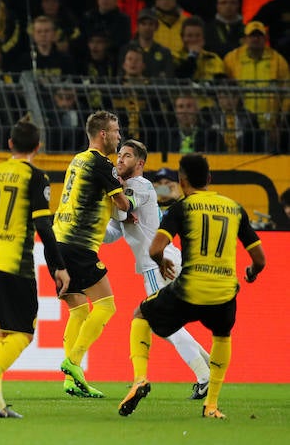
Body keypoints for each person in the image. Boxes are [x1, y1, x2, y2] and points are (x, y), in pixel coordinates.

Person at [118, 153, 266, 419]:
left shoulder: (182, 208)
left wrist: (160, 261)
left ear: (181, 180)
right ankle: (211, 405)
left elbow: (154, 248)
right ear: (209, 178)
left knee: (141, 314)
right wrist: (251, 273)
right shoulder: (234, 207)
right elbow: (260, 259)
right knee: (222, 337)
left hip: (189, 288)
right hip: (224, 293)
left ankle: (140, 378)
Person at [0, 116, 70, 419]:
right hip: (15, 261)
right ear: (38, 147)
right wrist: (58, 267)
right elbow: (43, 225)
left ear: (10, 144)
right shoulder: (36, 177)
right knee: (23, 333)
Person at [103, 140, 210, 398]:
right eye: (119, 155)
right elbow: (112, 233)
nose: (120, 160)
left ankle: (204, 375)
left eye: (127, 156)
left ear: (140, 164)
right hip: (163, 260)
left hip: (157, 263)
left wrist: (106, 195)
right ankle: (209, 363)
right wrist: (93, 228)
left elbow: (122, 210)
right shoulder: (127, 189)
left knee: (163, 322)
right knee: (168, 322)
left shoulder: (140, 185)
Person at [55, 110, 133, 398]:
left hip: (59, 242)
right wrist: (131, 202)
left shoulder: (78, 160)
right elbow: (123, 205)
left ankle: (71, 381)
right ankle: (73, 362)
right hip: (79, 244)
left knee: (78, 310)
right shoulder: (102, 164)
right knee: (106, 306)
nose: (118, 136)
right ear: (103, 134)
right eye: (115, 131)